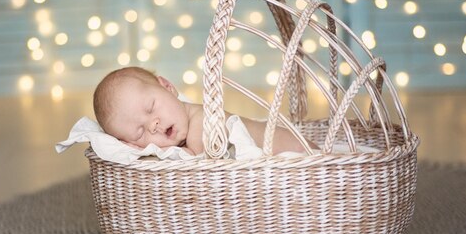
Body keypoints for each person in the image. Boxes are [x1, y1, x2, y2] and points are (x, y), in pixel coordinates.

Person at [93, 66, 317, 156]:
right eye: (139, 132)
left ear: (168, 87)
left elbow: (201, 169)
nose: (153, 125)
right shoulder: (183, 128)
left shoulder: (201, 123)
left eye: (151, 108)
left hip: (304, 160)